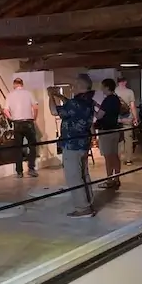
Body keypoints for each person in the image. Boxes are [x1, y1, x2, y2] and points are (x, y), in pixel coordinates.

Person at [48, 74, 96, 218]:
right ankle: (88, 202)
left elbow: (54, 111)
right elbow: (71, 105)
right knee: (84, 175)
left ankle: (83, 209)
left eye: (75, 85)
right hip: (83, 144)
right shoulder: (88, 101)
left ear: (80, 86)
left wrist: (50, 96)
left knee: (74, 177)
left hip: (71, 144)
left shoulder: (75, 103)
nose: (73, 88)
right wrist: (59, 96)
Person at [4, 77, 39, 178]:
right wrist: (34, 118)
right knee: (32, 146)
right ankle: (31, 169)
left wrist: (11, 118)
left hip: (17, 123)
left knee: (18, 148)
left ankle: (19, 172)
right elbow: (35, 107)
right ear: (22, 84)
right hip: (28, 122)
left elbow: (5, 110)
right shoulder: (29, 93)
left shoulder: (10, 95)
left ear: (14, 85)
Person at [95, 78, 122, 189]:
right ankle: (117, 178)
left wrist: (92, 110)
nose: (101, 89)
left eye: (102, 86)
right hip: (115, 130)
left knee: (108, 157)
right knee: (115, 155)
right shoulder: (116, 99)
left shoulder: (107, 100)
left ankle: (109, 180)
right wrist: (98, 105)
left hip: (106, 131)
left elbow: (99, 116)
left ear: (107, 87)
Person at [115, 76, 137, 165]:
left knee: (118, 140)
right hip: (128, 118)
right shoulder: (130, 92)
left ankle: (118, 158)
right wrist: (135, 118)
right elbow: (132, 106)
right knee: (128, 139)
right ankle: (128, 160)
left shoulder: (114, 92)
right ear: (125, 81)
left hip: (117, 119)